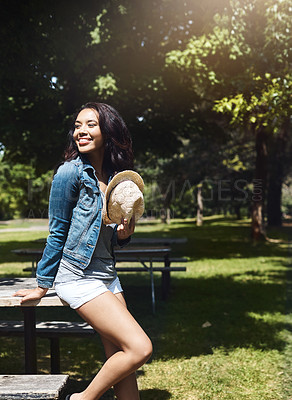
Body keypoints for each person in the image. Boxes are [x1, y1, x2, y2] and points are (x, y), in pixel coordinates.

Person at [14, 102, 152, 400]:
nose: (81, 131)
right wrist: (42, 285)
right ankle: (83, 398)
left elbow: (109, 235)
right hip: (77, 274)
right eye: (77, 125)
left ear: (108, 130)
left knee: (121, 354)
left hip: (107, 273)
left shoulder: (117, 177)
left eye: (91, 124)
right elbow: (57, 232)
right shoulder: (69, 173)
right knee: (141, 347)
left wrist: (124, 236)